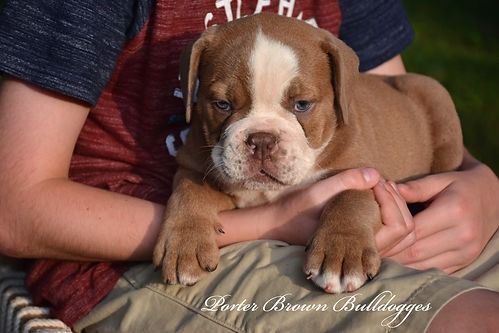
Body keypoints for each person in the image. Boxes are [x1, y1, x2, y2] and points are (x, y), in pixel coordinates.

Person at [0, 0, 498, 332]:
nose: (263, 140)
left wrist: (476, 179)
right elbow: (13, 208)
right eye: (223, 105)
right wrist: (265, 222)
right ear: (194, 83)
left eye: (299, 105)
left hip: (405, 218)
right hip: (124, 255)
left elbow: (398, 94)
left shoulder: (339, 84)